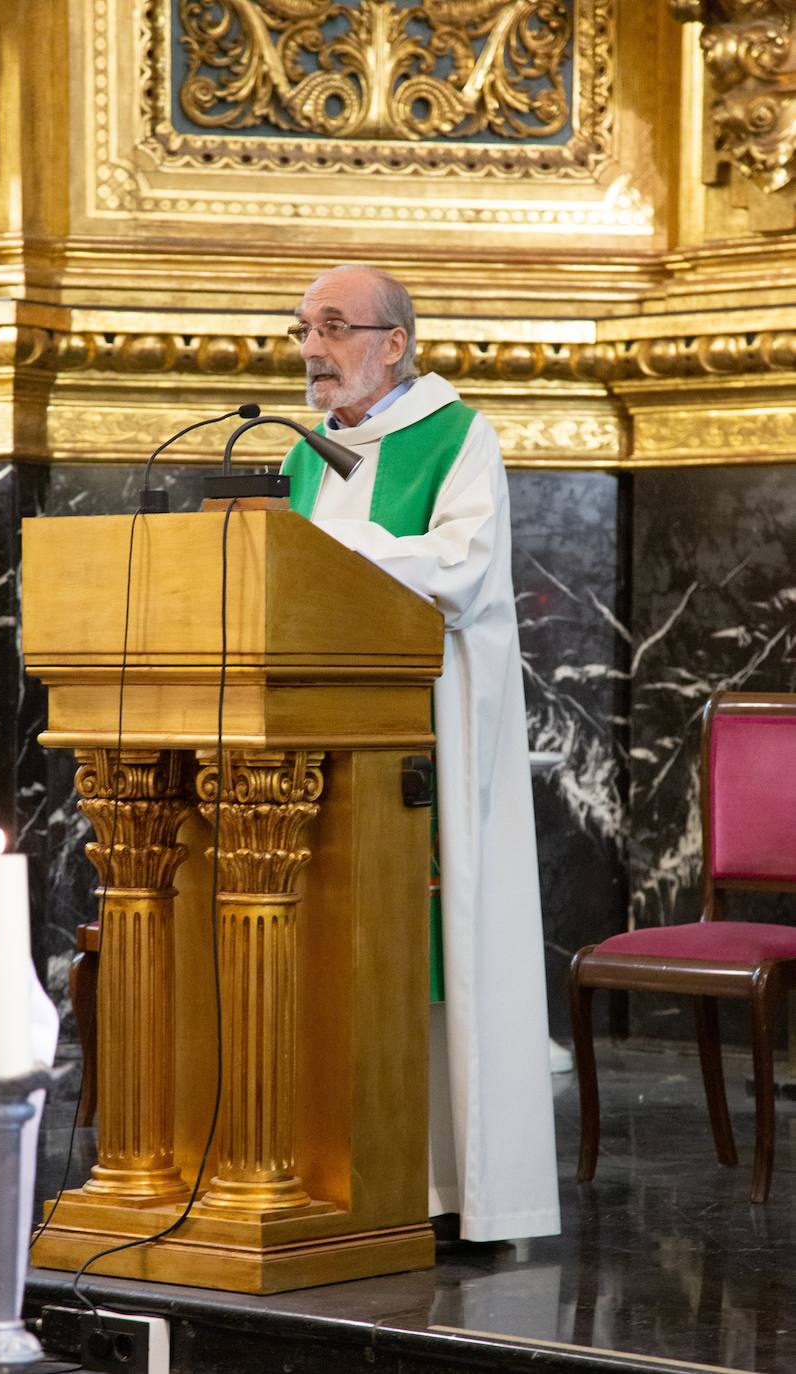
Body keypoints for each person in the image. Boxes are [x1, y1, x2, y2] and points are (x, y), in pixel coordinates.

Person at [282, 264, 561, 1243]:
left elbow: (466, 567)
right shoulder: (309, 450)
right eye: (301, 329)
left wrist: (327, 556)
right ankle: (337, 1168)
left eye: (331, 327)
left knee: (438, 954)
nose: (311, 348)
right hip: (320, 736)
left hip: (430, 726)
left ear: (392, 341)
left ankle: (450, 1188)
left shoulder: (458, 435)